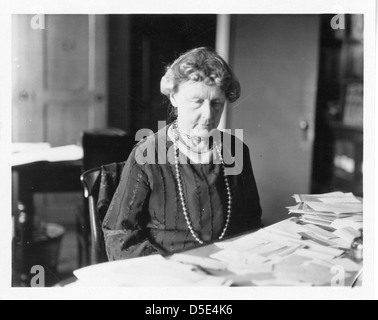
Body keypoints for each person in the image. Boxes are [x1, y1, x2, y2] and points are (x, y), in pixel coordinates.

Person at [102, 47, 263, 261]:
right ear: (174, 97)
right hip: (168, 273)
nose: (208, 115)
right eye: (197, 102)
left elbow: (251, 221)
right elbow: (119, 236)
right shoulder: (148, 154)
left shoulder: (236, 150)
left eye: (216, 103)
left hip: (229, 267)